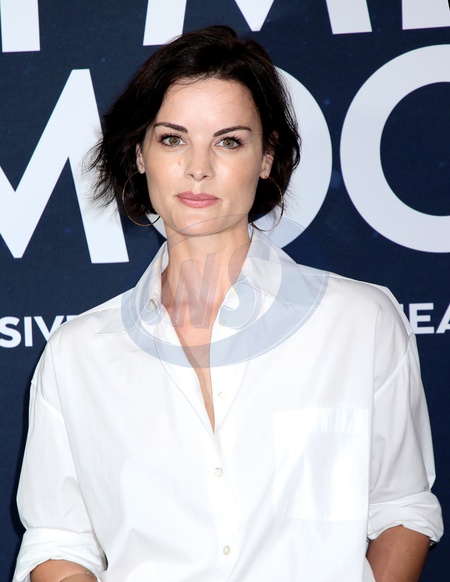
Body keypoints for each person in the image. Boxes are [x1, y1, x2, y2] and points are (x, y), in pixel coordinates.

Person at [14, 25, 442, 582]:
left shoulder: (361, 322)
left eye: (229, 141)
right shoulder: (77, 355)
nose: (198, 167)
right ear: (139, 154)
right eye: (173, 139)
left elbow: (402, 508)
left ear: (267, 157)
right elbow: (59, 541)